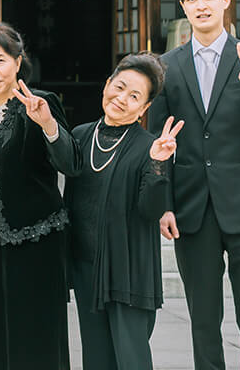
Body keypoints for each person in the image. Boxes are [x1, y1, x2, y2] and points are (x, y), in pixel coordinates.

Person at [148, 0, 240, 370]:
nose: (201, 6)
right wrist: (164, 203)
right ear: (183, 7)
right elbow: (160, 143)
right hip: (193, 210)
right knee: (203, 321)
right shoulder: (167, 66)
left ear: (226, 0)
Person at [0, 22, 82, 370]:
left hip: (36, 241)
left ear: (18, 62)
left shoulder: (42, 103)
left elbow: (70, 164)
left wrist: (48, 125)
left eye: (0, 60)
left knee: (36, 340)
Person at [66, 53, 183, 370]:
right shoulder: (80, 136)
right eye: (119, 88)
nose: (122, 99)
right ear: (107, 85)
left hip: (129, 269)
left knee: (131, 359)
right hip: (87, 267)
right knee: (96, 358)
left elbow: (151, 210)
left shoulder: (149, 145)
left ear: (145, 109)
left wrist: (159, 163)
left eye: (134, 97)